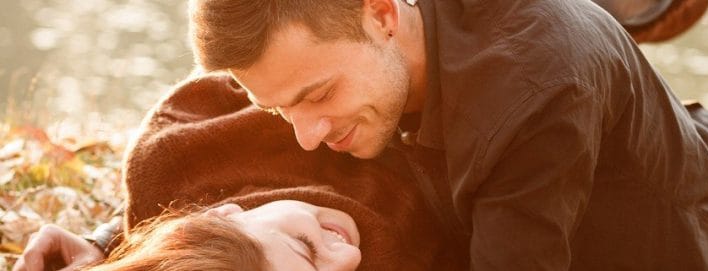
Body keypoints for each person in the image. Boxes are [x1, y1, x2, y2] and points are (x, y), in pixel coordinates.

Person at [187, 0, 708, 270]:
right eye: (282, 111)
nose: (306, 135)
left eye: (318, 96)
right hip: (692, 134)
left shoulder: (530, 103)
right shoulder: (356, 56)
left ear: (382, 13)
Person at [13, 74, 468, 271]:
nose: (346, 259)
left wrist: (107, 241)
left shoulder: (177, 153)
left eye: (305, 247)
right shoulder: (414, 252)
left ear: (225, 214)